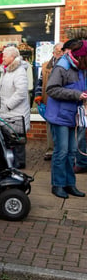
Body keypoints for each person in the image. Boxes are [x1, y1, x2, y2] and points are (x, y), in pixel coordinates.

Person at [45, 38, 87, 199]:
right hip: (59, 116)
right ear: (80, 56)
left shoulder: (81, 67)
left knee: (72, 152)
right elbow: (52, 89)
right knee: (61, 152)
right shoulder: (62, 67)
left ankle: (70, 184)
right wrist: (77, 95)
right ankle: (58, 185)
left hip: (73, 115)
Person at [0, 46, 30, 169]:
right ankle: (11, 164)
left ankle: (19, 165)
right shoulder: (6, 71)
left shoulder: (19, 71)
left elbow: (21, 92)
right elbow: (0, 91)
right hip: (5, 112)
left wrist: (8, 106)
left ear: (13, 57)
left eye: (5, 55)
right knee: (9, 140)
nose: (2, 58)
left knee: (17, 140)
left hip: (15, 113)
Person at [34, 43, 65, 161]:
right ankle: (51, 150)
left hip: (63, 101)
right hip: (49, 100)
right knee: (50, 127)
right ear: (53, 53)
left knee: (63, 126)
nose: (61, 54)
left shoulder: (68, 66)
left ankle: (62, 151)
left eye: (63, 51)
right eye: (58, 51)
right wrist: (38, 96)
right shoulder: (46, 66)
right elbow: (40, 83)